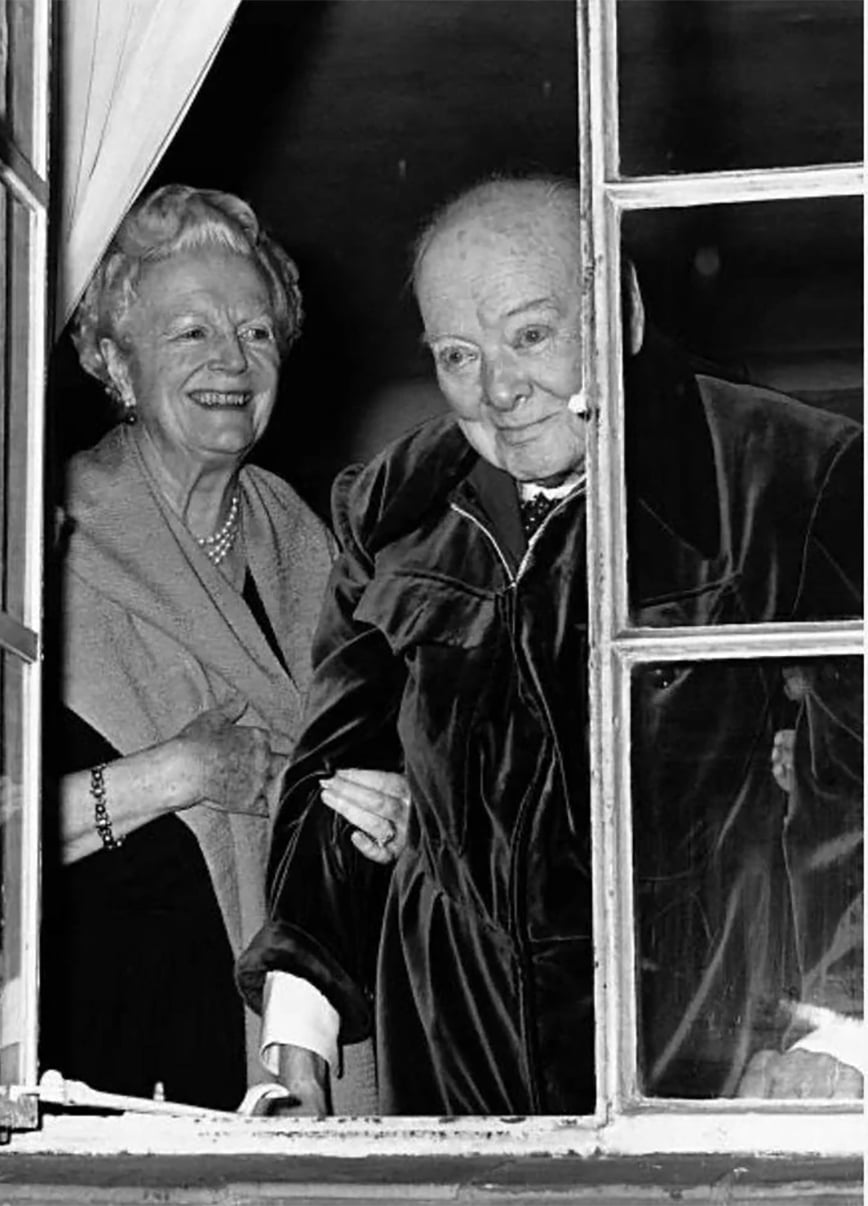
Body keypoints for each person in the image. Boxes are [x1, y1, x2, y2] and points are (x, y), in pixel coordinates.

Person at [236, 175, 863, 1114]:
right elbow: (339, 778)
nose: (496, 390)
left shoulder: (791, 474)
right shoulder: (392, 506)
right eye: (457, 354)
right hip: (458, 1059)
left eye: (531, 335)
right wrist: (299, 1039)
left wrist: (841, 1036)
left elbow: (856, 784)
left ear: (624, 311)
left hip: (714, 1047)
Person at [39, 184, 409, 1113]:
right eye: (191, 333)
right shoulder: (35, 547)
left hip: (295, 1057)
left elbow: (369, 788)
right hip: (99, 1067)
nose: (231, 361)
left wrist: (398, 827)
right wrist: (177, 773)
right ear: (116, 362)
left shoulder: (319, 555)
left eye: (254, 333)